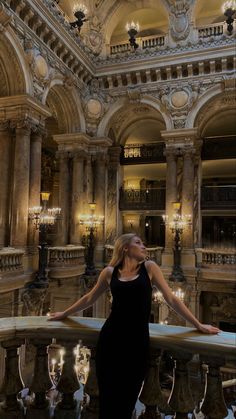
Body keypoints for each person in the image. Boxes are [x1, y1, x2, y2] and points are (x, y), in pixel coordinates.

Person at [48, 233, 220, 419]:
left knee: (127, 400)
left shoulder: (149, 268)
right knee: (107, 401)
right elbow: (89, 298)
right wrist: (64, 313)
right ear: (125, 248)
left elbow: (171, 299)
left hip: (137, 343)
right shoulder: (109, 272)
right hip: (111, 341)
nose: (144, 246)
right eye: (138, 243)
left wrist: (198, 324)